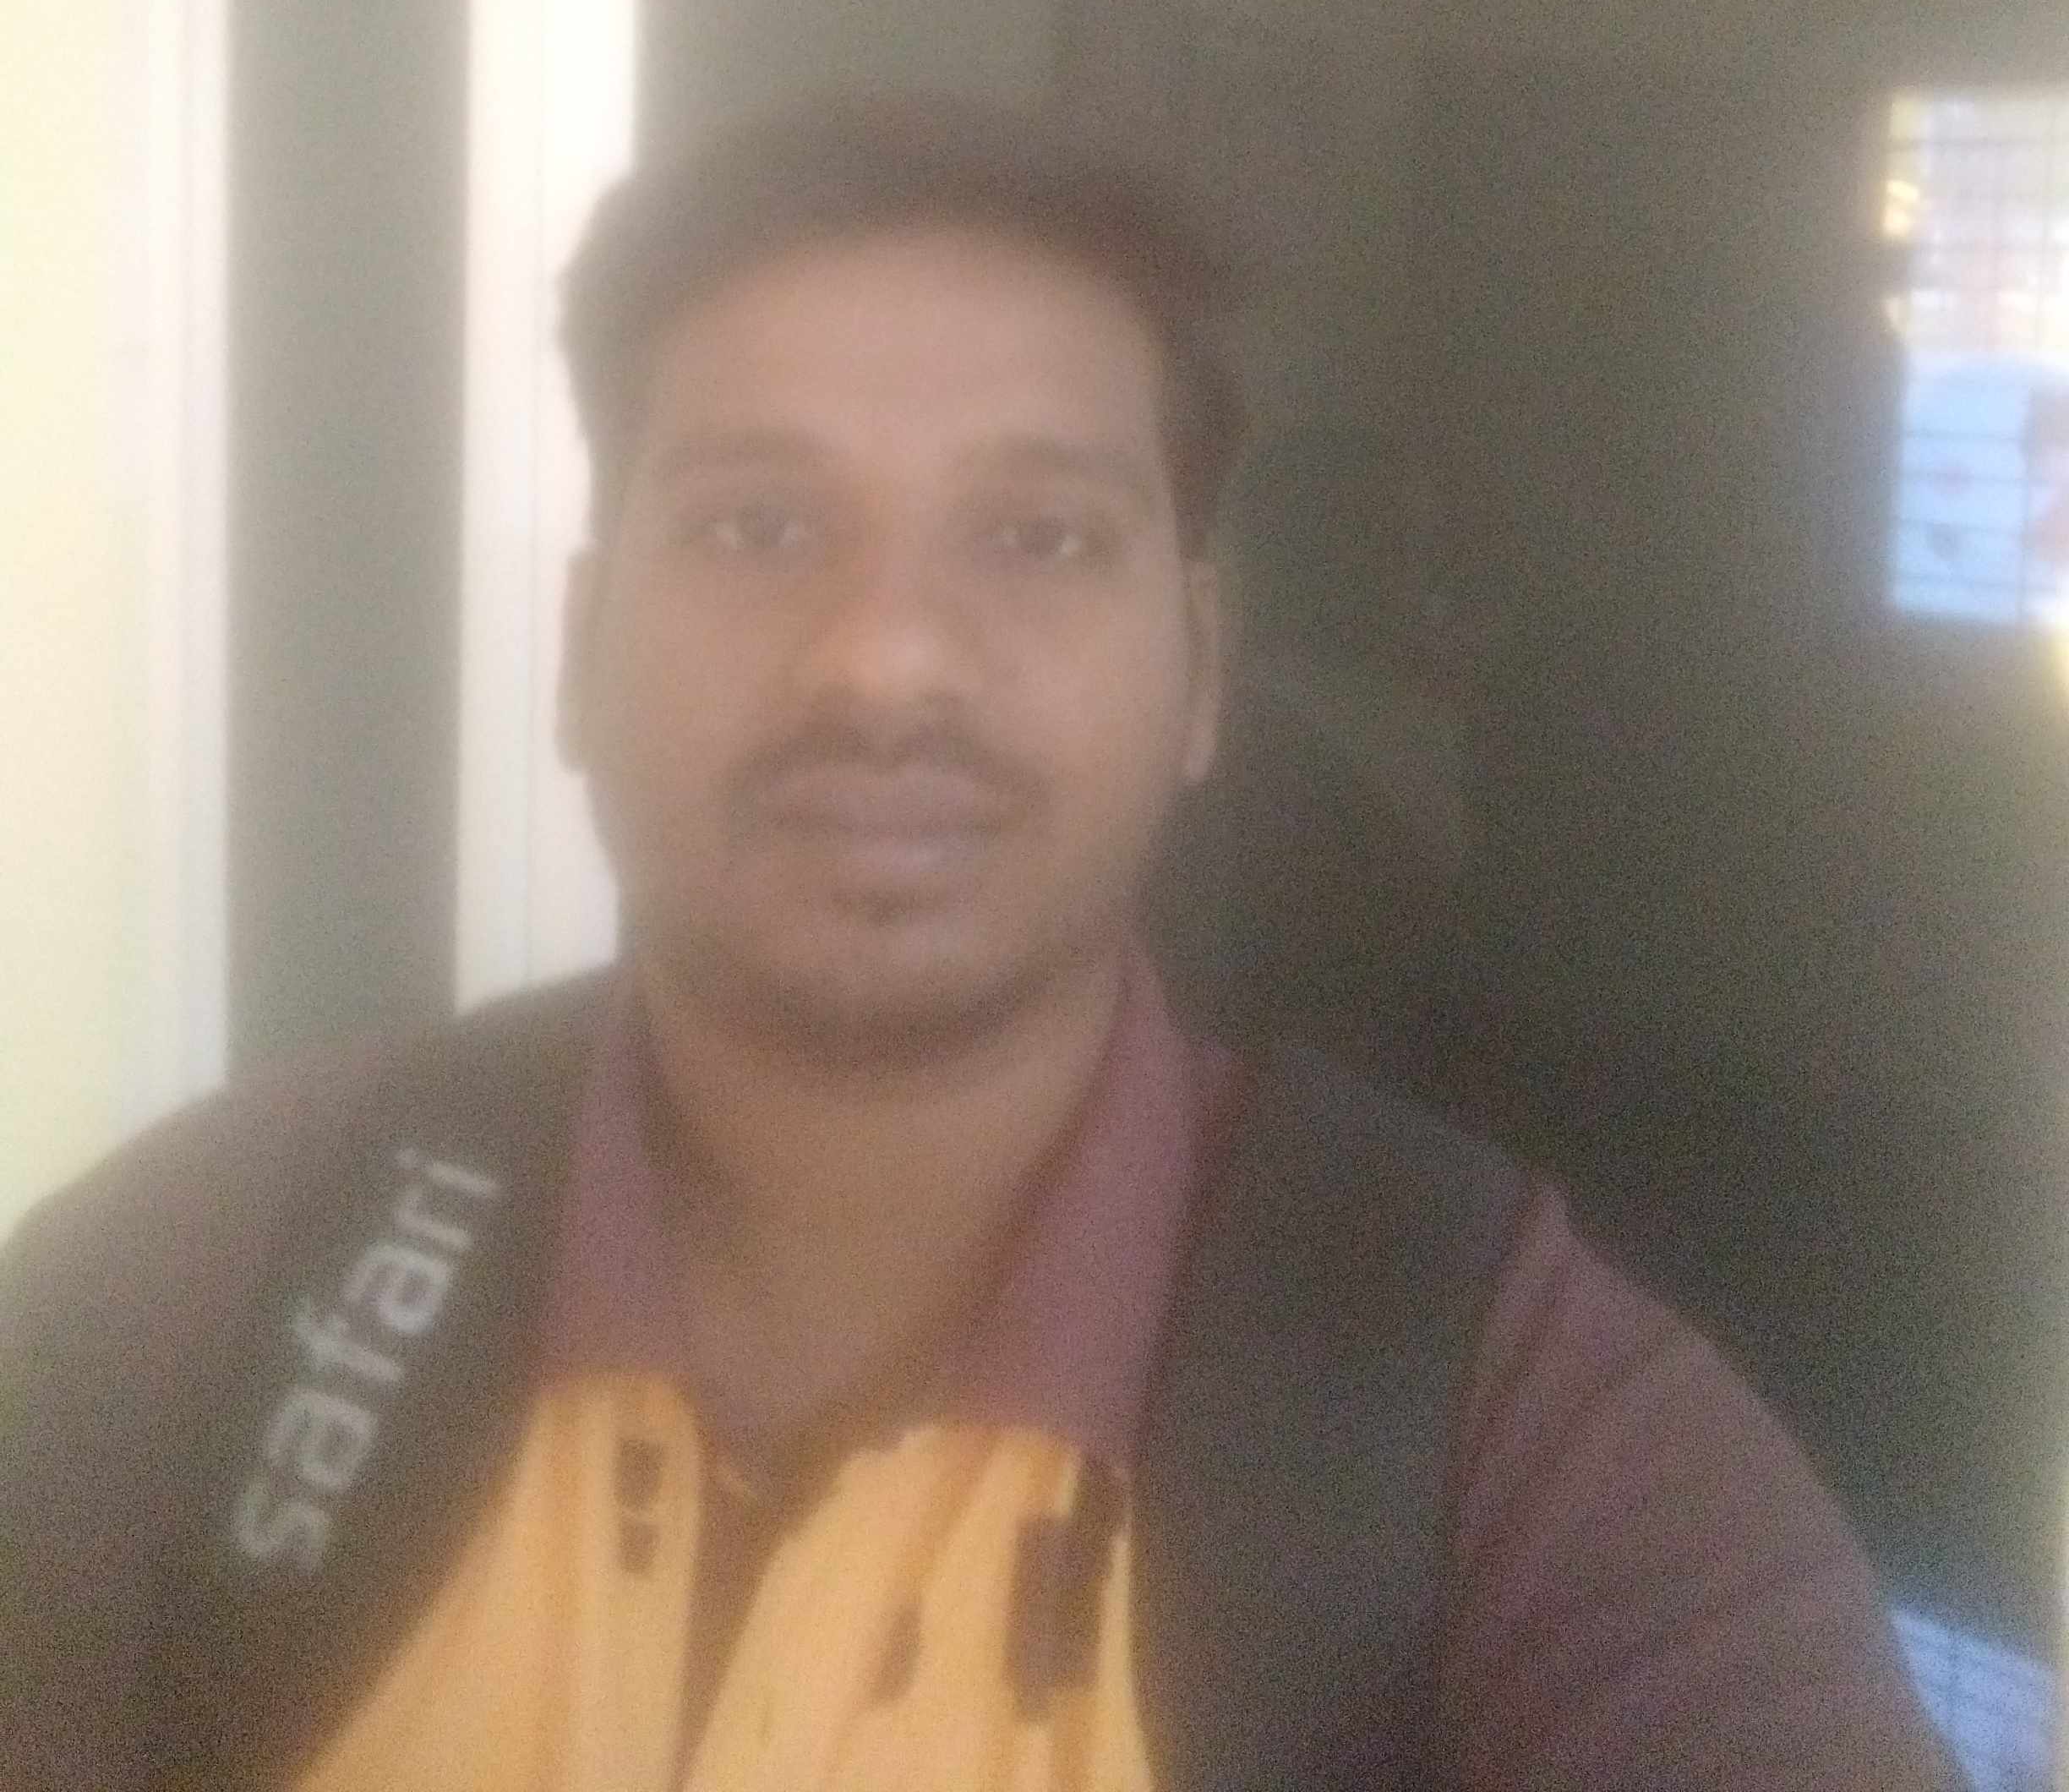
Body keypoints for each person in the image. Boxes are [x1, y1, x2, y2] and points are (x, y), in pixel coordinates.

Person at [0, 95, 1957, 1791]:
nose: (885, 659)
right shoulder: (201, 1285)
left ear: (1200, 671)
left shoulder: (1505, 1436)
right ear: (582, 654)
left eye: (1038, 537)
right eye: (759, 527)